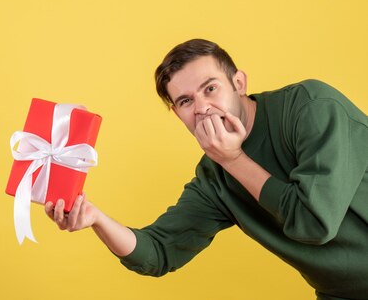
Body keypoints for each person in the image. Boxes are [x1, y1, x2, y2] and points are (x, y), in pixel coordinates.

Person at [44, 38, 368, 300]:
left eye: (210, 88)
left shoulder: (310, 108)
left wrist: (233, 159)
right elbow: (158, 251)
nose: (202, 108)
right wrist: (96, 219)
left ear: (238, 82)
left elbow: (314, 222)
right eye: (185, 101)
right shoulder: (215, 179)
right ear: (177, 114)